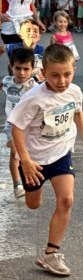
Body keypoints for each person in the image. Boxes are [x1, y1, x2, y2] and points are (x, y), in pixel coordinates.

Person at [8, 44, 83, 276]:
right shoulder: (34, 98)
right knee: (33, 204)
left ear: (73, 69)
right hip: (34, 161)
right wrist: (25, 161)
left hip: (61, 153)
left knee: (66, 200)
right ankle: (29, 185)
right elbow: (17, 127)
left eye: (67, 74)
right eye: (55, 75)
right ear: (43, 73)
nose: (62, 81)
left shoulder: (74, 91)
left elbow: (78, 112)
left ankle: (51, 253)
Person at [1, 48, 38, 198]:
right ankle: (17, 184)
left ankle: (27, 178)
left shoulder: (35, 87)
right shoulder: (7, 81)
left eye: (26, 69)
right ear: (11, 66)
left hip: (28, 127)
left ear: (32, 69)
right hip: (11, 125)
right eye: (18, 68)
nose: (22, 73)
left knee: (24, 154)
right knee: (15, 152)